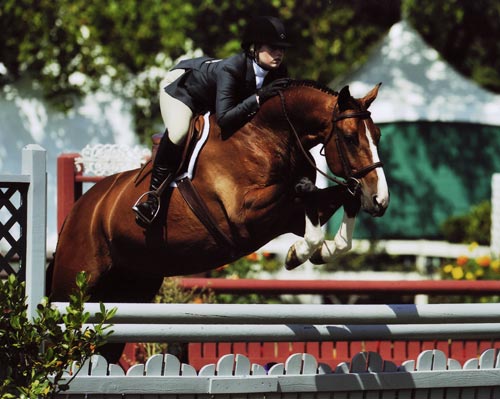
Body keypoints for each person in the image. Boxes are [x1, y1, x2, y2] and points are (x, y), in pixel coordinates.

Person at [133, 16, 292, 225]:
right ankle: (153, 197)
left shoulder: (278, 72)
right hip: (182, 90)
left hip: (210, 96)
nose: (279, 53)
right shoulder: (232, 68)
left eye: (282, 48)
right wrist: (259, 97)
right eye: (273, 47)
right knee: (180, 131)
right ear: (254, 47)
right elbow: (225, 119)